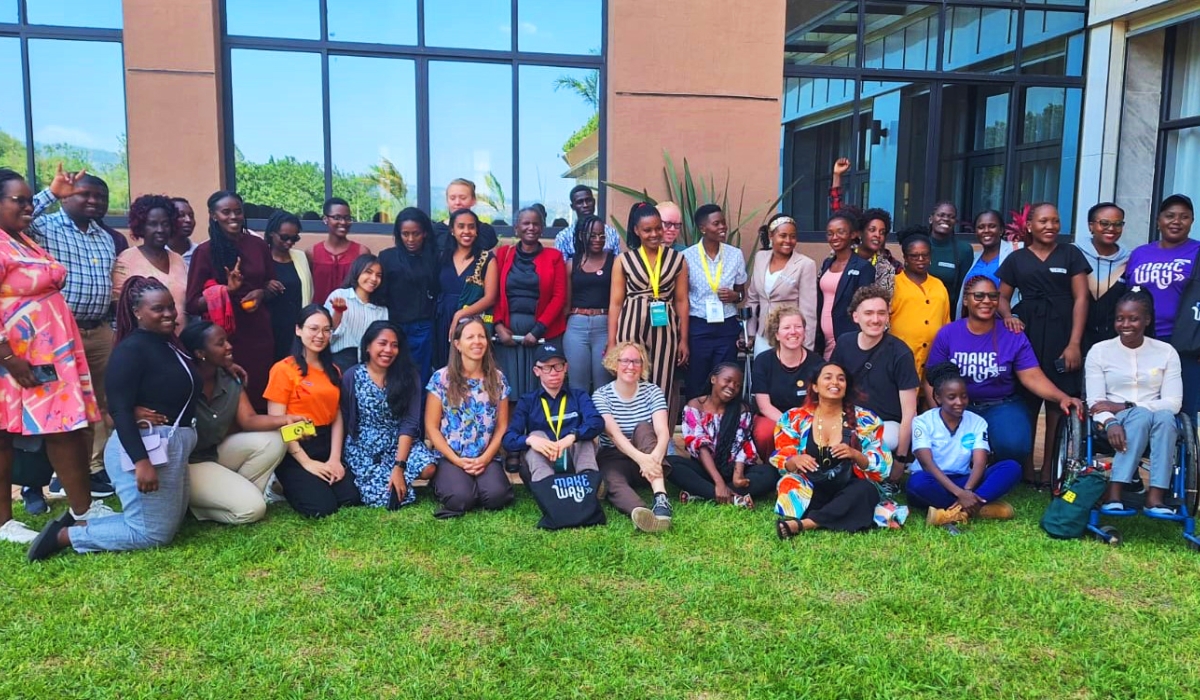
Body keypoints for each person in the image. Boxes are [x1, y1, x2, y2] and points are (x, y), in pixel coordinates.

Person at [28, 277, 198, 560]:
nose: (168, 314)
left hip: (168, 444)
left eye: (170, 307)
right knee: (153, 534)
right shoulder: (131, 350)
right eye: (158, 309)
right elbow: (119, 410)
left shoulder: (167, 343)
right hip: (145, 447)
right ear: (137, 311)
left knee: (165, 525)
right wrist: (141, 461)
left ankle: (82, 524)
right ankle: (65, 536)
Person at [0, 168, 109, 544]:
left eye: (32, 200)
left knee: (66, 427)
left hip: (50, 349)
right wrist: (7, 356)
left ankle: (81, 507)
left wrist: (48, 193)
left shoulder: (20, 238)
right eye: (19, 200)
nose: (28, 207)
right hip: (18, 356)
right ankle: (5, 522)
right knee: (16, 433)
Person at [926, 276, 1083, 470]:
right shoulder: (948, 333)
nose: (986, 301)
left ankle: (993, 466)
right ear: (966, 300)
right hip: (959, 407)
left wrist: (1062, 397)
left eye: (993, 296)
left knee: (1015, 446)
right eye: (979, 296)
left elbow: (1032, 375)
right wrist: (939, 414)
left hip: (1000, 405)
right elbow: (932, 379)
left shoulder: (1011, 333)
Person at [27, 166, 118, 490]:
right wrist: (51, 192)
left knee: (98, 402)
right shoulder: (44, 228)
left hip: (99, 331)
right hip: (57, 335)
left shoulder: (105, 237)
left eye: (101, 196)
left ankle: (90, 469)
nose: (95, 201)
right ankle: (39, 478)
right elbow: (15, 217)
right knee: (55, 403)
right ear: (68, 198)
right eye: (86, 194)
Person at [998, 203, 1091, 486]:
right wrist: (1009, 316)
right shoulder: (1017, 259)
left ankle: (1051, 469)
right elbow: (1001, 296)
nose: (1050, 226)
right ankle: (1026, 468)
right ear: (1029, 226)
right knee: (1027, 400)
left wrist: (1074, 343)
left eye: (1055, 220)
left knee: (1058, 403)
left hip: (1063, 332)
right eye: (1043, 221)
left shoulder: (1071, 253)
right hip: (1028, 332)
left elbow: (1082, 298)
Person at [180, 322, 293, 525]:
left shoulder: (229, 378)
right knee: (253, 509)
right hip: (188, 464)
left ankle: (233, 494)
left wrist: (287, 420)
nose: (229, 346)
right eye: (220, 343)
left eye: (227, 341)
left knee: (278, 438)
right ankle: (198, 508)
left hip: (215, 453)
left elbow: (249, 420)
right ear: (200, 353)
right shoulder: (181, 381)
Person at [1085, 289, 1183, 514]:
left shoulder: (1166, 352)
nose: (1125, 324)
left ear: (1147, 320)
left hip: (1157, 420)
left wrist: (1127, 406)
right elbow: (1096, 402)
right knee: (1142, 417)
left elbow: (1173, 402)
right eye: (1120, 318)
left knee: (1164, 416)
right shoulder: (1099, 352)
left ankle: (1155, 496)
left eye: (1133, 318)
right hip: (1110, 422)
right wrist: (1111, 421)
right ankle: (1115, 491)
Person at [185, 190, 279, 412]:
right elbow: (192, 303)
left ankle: (263, 440)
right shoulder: (205, 251)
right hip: (224, 336)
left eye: (238, 211)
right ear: (213, 215)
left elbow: (271, 283)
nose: (234, 217)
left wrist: (261, 293)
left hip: (259, 331)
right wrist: (226, 291)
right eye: (226, 212)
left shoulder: (257, 246)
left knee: (259, 388)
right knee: (231, 392)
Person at [263, 305, 360, 518]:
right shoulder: (283, 369)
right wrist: (306, 462)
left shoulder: (333, 370)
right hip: (295, 443)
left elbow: (336, 416)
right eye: (313, 328)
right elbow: (279, 423)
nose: (320, 335)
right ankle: (279, 484)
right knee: (321, 508)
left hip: (325, 442)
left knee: (350, 498)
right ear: (298, 330)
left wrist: (335, 458)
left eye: (326, 330)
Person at [773, 361, 889, 538]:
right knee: (791, 483)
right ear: (815, 387)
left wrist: (855, 455)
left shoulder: (866, 419)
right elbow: (780, 457)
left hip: (848, 486)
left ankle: (805, 524)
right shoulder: (794, 417)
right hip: (810, 487)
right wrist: (794, 460)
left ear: (846, 386)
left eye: (841, 379)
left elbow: (882, 468)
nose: (835, 382)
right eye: (828, 377)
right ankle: (836, 515)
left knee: (866, 491)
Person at [341, 321, 439, 509]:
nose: (388, 350)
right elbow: (345, 417)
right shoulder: (352, 376)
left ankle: (395, 474)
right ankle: (379, 477)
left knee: (429, 469)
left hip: (399, 441)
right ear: (368, 346)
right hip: (365, 446)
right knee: (385, 499)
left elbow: (409, 423)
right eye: (382, 343)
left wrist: (399, 466)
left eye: (394, 345)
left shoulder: (409, 376)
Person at [830, 286, 918, 488]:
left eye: (881, 313)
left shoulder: (900, 353)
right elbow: (830, 388)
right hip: (848, 419)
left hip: (885, 425)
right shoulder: (844, 343)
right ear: (855, 316)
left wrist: (900, 460)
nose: (875, 319)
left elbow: (909, 412)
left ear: (888, 316)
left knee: (871, 442)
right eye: (868, 313)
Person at [425, 316, 513, 518]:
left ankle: (479, 482)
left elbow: (502, 426)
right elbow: (431, 427)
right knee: (461, 499)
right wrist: (456, 460)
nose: (477, 342)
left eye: (481, 336)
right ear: (457, 344)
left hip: (485, 455)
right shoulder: (441, 379)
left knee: (496, 497)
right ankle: (447, 480)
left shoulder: (498, 379)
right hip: (451, 455)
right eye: (470, 337)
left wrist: (486, 457)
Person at [609, 202, 690, 422]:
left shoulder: (678, 260)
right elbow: (615, 303)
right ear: (637, 231)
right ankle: (629, 430)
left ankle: (660, 435)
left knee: (662, 380)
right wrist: (611, 343)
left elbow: (682, 300)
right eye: (647, 230)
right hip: (631, 325)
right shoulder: (623, 260)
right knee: (630, 375)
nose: (654, 234)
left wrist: (683, 339)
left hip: (665, 326)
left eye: (658, 228)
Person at [1124, 194, 1200, 418]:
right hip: (1142, 341)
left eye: (1184, 217)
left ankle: (1181, 454)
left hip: (1185, 344)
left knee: (1182, 408)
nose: (1176, 221)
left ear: (1192, 222)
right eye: (1170, 216)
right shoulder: (1140, 253)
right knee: (1143, 405)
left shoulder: (1197, 252)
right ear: (1158, 220)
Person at [668, 363, 775, 507]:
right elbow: (700, 447)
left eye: (737, 385)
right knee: (670, 464)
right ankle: (731, 497)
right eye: (728, 380)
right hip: (705, 469)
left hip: (731, 470)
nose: (732, 387)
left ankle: (703, 493)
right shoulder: (694, 406)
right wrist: (718, 482)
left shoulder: (742, 409)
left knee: (770, 473)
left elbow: (741, 445)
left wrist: (738, 476)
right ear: (713, 379)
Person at [593, 342, 674, 532]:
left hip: (648, 453)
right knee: (612, 480)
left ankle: (661, 499)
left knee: (644, 428)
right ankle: (642, 512)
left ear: (643, 366)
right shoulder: (601, 395)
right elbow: (614, 435)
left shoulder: (652, 391)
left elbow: (663, 432)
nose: (631, 366)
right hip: (615, 455)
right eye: (626, 361)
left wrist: (652, 459)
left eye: (637, 362)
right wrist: (642, 460)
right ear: (615, 364)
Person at [501, 343, 604, 485]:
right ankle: (547, 487)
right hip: (542, 459)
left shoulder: (579, 396)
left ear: (565, 368)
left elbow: (597, 422)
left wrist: (572, 436)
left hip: (572, 457)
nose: (554, 372)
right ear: (537, 371)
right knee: (536, 434)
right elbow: (509, 439)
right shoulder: (527, 401)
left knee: (584, 439)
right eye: (547, 367)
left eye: (558, 366)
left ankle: (589, 482)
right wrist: (531, 440)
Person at [493, 207, 568, 402]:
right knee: (508, 390)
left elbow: (559, 297)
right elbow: (493, 294)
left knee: (541, 390)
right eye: (526, 223)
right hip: (508, 334)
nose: (531, 227)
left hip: (543, 333)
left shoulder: (554, 257)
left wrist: (537, 330)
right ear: (516, 228)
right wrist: (498, 325)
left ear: (542, 228)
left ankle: (538, 431)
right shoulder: (502, 255)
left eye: (536, 223)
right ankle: (509, 431)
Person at [682, 204, 747, 398]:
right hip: (699, 326)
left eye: (724, 223)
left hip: (726, 327)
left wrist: (735, 297)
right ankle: (696, 422)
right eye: (716, 223)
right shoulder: (686, 256)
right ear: (703, 228)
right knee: (697, 379)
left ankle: (724, 423)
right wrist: (683, 337)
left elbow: (742, 294)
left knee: (725, 378)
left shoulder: (735, 254)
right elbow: (682, 298)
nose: (723, 227)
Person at [751, 305, 824, 459]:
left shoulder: (818, 363)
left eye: (798, 327)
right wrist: (790, 424)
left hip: (808, 417)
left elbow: (823, 403)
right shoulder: (763, 361)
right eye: (786, 327)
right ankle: (771, 468)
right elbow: (764, 406)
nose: (793, 332)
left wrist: (803, 424)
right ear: (776, 334)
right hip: (772, 416)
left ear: (804, 332)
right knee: (765, 433)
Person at [379, 207, 440, 384]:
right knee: (393, 374)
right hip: (394, 325)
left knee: (420, 375)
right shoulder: (387, 257)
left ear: (425, 233)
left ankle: (419, 412)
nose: (411, 239)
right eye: (405, 234)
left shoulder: (435, 257)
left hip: (423, 327)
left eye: (416, 234)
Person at [434, 209, 499, 368]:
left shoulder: (486, 259)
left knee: (470, 367)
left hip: (472, 322)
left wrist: (461, 314)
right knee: (444, 368)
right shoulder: (441, 256)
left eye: (471, 227)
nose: (466, 231)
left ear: (477, 230)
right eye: (461, 226)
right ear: (452, 230)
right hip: (442, 319)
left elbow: (490, 297)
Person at [746, 213, 818, 355]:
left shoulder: (805, 264)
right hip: (763, 335)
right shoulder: (761, 258)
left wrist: (806, 348)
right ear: (771, 236)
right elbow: (753, 299)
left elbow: (808, 311)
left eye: (793, 236)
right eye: (783, 235)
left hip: (790, 337)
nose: (788, 240)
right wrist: (750, 333)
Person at [112, 194, 189, 327]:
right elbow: (119, 306)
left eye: (165, 224)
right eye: (153, 224)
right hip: (144, 341)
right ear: (141, 227)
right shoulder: (126, 260)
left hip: (179, 339)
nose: (160, 230)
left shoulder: (178, 259)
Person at [889, 232, 950, 381]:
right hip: (902, 357)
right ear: (905, 258)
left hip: (933, 358)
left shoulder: (938, 285)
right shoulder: (893, 283)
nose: (920, 260)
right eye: (914, 256)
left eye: (925, 255)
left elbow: (946, 321)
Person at [563, 214, 614, 393]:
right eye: (593, 235)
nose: (598, 239)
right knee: (577, 385)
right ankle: (581, 421)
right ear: (581, 235)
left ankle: (602, 422)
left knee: (604, 385)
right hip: (576, 325)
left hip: (604, 325)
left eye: (601, 235)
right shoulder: (571, 263)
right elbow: (566, 303)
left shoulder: (614, 262)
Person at [816, 212, 876, 359]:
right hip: (824, 339)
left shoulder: (863, 267)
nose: (835, 237)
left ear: (853, 234)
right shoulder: (827, 263)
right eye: (830, 233)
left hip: (848, 339)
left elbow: (864, 307)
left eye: (840, 232)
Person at [1075, 202, 1129, 355]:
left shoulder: (1129, 260)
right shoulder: (1072, 254)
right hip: (1074, 337)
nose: (1111, 229)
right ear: (1091, 226)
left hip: (1114, 342)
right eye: (1104, 223)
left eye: (1118, 224)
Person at [325, 253, 388, 373]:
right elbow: (327, 334)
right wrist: (338, 312)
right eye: (368, 272)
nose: (374, 279)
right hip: (338, 361)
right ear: (357, 272)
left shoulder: (381, 309)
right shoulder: (340, 296)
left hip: (368, 365)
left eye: (378, 275)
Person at [264, 210, 313, 362]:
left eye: (294, 238)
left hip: (295, 329)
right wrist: (264, 287)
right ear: (272, 233)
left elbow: (308, 291)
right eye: (284, 237)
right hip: (268, 328)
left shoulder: (300, 257)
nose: (289, 243)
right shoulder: (261, 257)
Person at [955, 210, 1019, 314]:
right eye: (981, 227)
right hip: (974, 322)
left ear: (1001, 230)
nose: (986, 230)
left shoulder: (1014, 252)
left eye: (992, 226)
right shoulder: (974, 258)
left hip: (1005, 322)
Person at [310, 197, 367, 307]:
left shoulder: (361, 252)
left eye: (347, 218)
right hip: (320, 316)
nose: (343, 222)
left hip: (352, 314)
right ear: (325, 219)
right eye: (337, 217)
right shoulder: (312, 253)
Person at [926, 201, 974, 315]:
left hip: (949, 315)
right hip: (917, 311)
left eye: (951, 217)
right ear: (931, 219)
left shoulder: (964, 250)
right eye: (941, 215)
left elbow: (964, 290)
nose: (946, 219)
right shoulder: (918, 245)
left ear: (955, 222)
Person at [553, 185, 621, 260]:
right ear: (573, 207)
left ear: (594, 202)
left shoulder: (611, 233)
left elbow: (617, 264)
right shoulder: (563, 237)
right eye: (580, 202)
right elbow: (562, 267)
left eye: (588, 200)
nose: (585, 205)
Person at [433, 178, 498, 256]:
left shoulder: (485, 231)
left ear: (473, 200)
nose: (457, 202)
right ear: (447, 201)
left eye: (463, 198)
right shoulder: (436, 230)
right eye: (452, 198)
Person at [168, 197, 199, 266]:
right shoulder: (157, 254)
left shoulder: (200, 252)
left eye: (191, 216)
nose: (188, 220)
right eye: (181, 215)